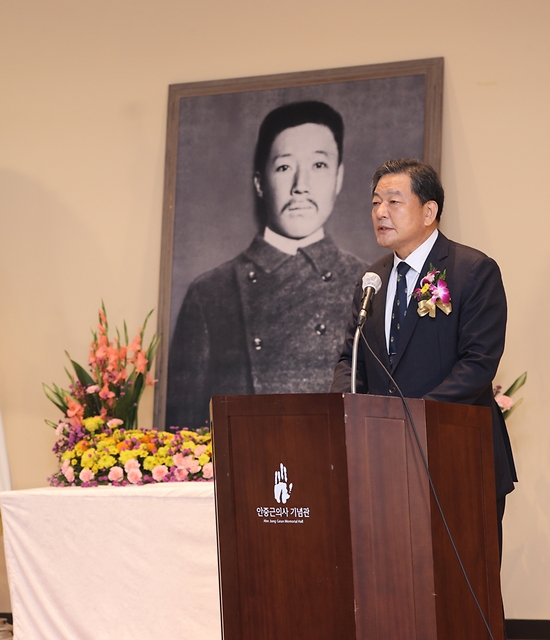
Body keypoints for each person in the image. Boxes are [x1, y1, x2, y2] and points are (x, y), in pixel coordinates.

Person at [329, 158, 517, 550]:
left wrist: (407, 419)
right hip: (383, 462)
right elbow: (351, 359)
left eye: (394, 201)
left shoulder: (472, 270)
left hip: (456, 456)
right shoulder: (374, 277)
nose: (380, 212)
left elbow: (478, 364)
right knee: (392, 580)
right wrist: (343, 410)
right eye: (376, 202)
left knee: (462, 589)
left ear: (429, 211)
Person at [166, 101, 366, 429]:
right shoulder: (210, 292)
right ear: (260, 182)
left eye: (318, 165)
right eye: (285, 167)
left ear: (338, 177)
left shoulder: (369, 283)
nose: (301, 185)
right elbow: (182, 430)